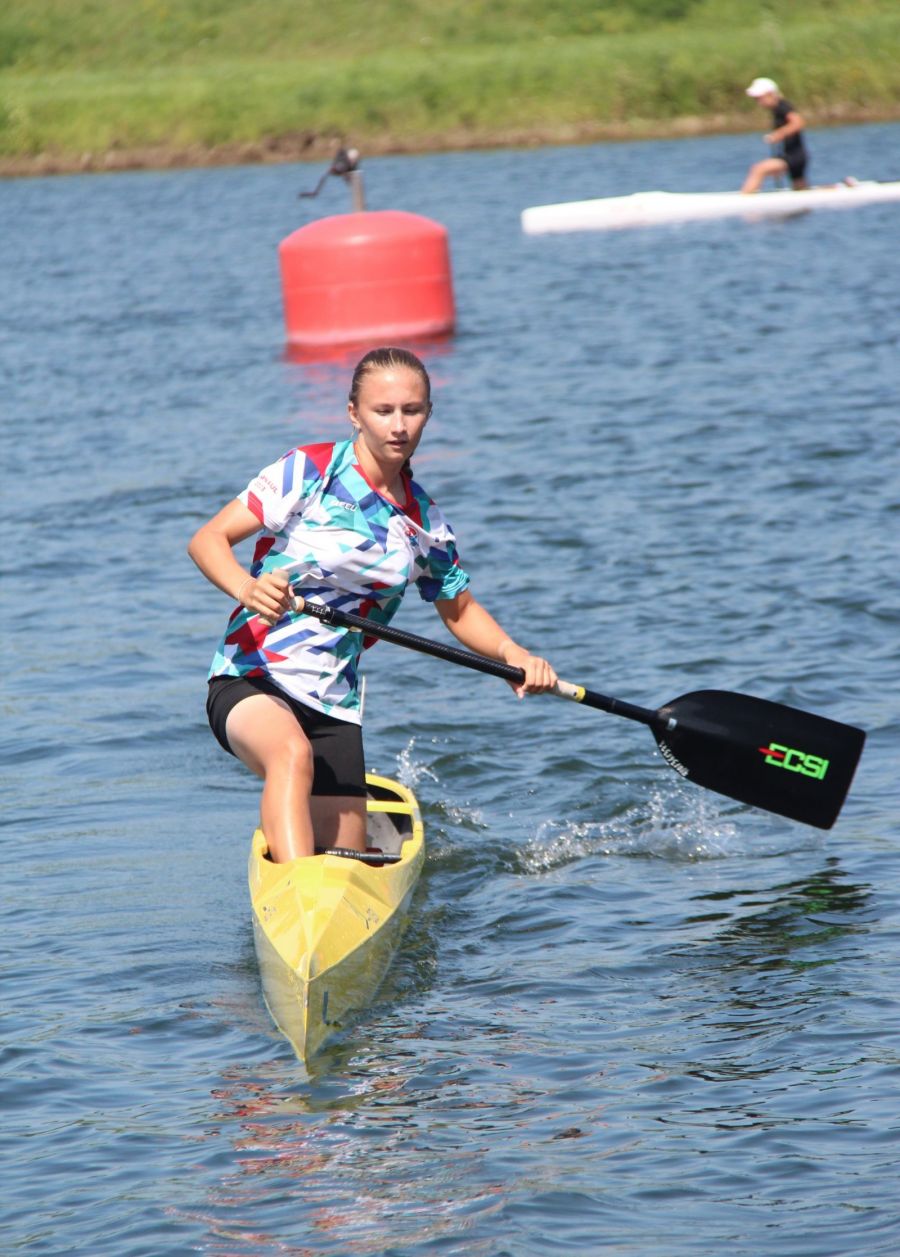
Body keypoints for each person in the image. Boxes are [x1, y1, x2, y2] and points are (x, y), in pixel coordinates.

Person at [188, 346, 557, 863]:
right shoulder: (310, 470)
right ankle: (294, 888)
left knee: (347, 855)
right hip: (251, 675)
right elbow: (208, 540)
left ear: (428, 413)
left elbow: (460, 610)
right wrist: (247, 589)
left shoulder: (426, 524)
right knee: (290, 756)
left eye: (413, 410)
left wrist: (512, 654)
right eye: (383, 411)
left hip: (334, 702)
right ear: (354, 414)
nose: (398, 425)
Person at [741, 77, 809, 194]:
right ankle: (837, 189)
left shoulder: (782, 106)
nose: (758, 102)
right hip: (796, 155)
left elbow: (798, 122)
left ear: (770, 94)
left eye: (760, 98)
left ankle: (744, 199)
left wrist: (778, 134)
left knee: (759, 169)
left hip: (794, 156)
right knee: (801, 190)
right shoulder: (777, 109)